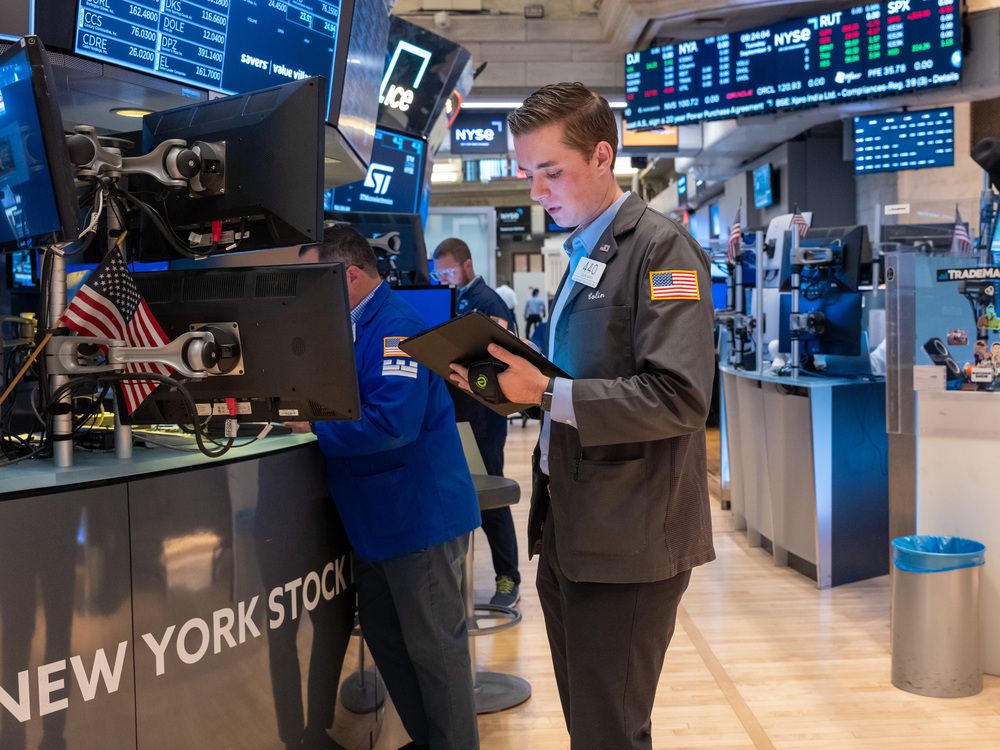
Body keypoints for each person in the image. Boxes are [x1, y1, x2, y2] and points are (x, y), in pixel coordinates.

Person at [449, 82, 716, 750]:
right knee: (593, 729)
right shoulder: (583, 251)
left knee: (610, 733)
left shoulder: (662, 251)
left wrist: (544, 392)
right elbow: (587, 376)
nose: (536, 191)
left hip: (630, 540)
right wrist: (516, 378)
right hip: (572, 529)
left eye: (550, 172)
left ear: (603, 156)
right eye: (526, 173)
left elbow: (679, 398)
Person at [301, 224, 480, 750]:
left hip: (416, 520)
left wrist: (311, 427)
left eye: (319, 280)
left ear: (350, 275)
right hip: (378, 526)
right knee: (390, 641)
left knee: (436, 655)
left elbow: (391, 424)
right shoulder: (356, 325)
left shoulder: (397, 328)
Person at [432, 238, 522, 607]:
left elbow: (501, 365)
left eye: (450, 272)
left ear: (467, 265)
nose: (445, 279)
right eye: (440, 274)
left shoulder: (487, 303)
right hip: (456, 415)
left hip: (482, 418)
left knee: (491, 500)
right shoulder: (454, 300)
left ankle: (507, 578)